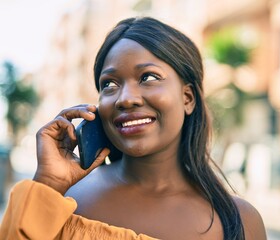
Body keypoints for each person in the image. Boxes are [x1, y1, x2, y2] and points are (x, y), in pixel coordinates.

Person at [0, 17, 266, 240]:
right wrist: (48, 185)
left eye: (148, 77)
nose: (126, 98)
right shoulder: (62, 201)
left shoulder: (240, 222)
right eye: (110, 84)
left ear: (187, 98)